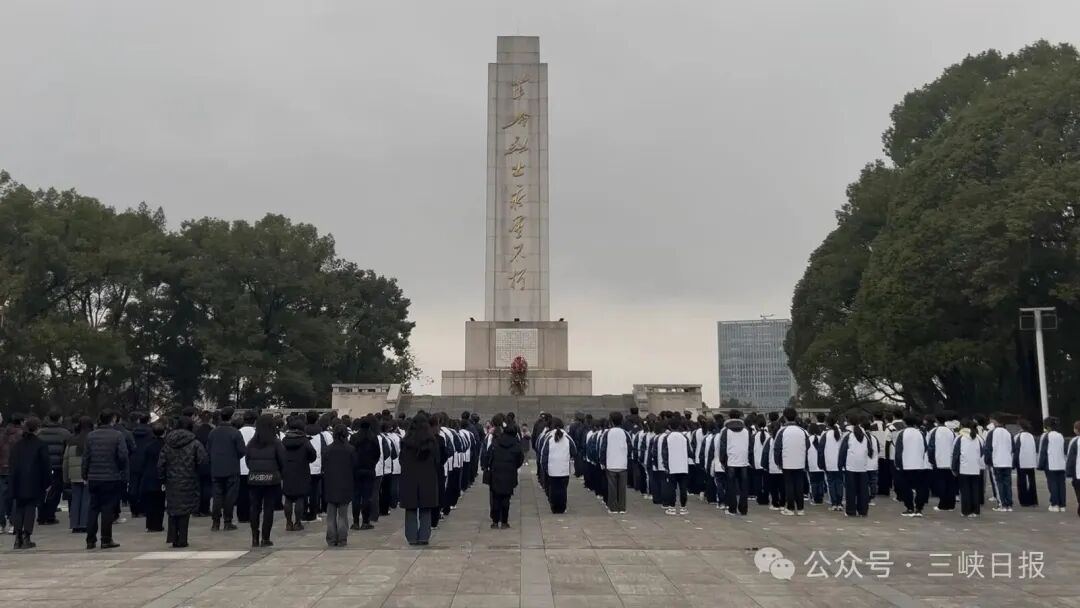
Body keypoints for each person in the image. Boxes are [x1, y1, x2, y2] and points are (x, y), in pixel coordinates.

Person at [158, 417, 206, 548]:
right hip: (189, 479)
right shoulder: (195, 443)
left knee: (173, 509)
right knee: (185, 510)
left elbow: (161, 463)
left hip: (171, 480)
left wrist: (162, 478)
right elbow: (203, 461)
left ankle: (173, 537)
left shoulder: (168, 443)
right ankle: (183, 538)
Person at [83, 410, 128, 549]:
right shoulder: (117, 435)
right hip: (111, 476)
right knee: (107, 508)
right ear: (113, 419)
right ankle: (106, 539)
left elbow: (86, 457)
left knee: (93, 508)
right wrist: (120, 469)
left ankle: (90, 539)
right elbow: (123, 455)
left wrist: (85, 474)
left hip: (94, 476)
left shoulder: (91, 436)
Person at [245, 414, 286, 548]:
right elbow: (282, 461)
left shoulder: (251, 443)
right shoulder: (276, 443)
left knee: (254, 508)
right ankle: (265, 537)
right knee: (269, 508)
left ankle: (254, 537)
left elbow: (247, 461)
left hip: (254, 479)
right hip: (271, 479)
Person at [9, 416, 50, 549]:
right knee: (30, 508)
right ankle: (27, 536)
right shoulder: (40, 445)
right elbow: (46, 465)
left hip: (18, 480)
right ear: (37, 429)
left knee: (19, 507)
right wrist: (47, 482)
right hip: (34, 481)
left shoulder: (17, 445)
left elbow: (12, 464)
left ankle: (17, 537)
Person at [400, 413, 439, 545]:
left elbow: (401, 460)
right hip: (427, 478)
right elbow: (438, 460)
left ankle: (411, 536)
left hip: (409, 478)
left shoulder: (405, 442)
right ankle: (424, 536)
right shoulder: (432, 442)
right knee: (426, 509)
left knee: (410, 509)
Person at [207, 407, 246, 531]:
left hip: (216, 468)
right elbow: (242, 450)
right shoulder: (235, 433)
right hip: (231, 468)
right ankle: (227, 521)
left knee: (217, 495)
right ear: (231, 417)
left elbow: (208, 450)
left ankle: (215, 522)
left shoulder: (213, 432)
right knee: (230, 496)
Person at [484, 422, 524, 528]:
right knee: (506, 498)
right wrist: (514, 466)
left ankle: (495, 521)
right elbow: (520, 459)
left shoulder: (496, 442)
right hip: (509, 472)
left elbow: (488, 456)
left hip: (496, 472)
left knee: (496, 497)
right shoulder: (516, 444)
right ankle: (504, 521)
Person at [322, 423, 355, 547]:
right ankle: (342, 538)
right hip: (345, 484)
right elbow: (354, 466)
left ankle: (331, 538)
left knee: (330, 515)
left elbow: (324, 466)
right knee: (343, 515)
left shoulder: (327, 450)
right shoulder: (350, 449)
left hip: (330, 483)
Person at [281, 417, 317, 531]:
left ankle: (288, 523)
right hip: (301, 470)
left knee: (288, 497)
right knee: (300, 497)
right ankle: (297, 522)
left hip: (287, 470)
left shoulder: (284, 440)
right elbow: (312, 454)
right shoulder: (304, 441)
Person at [36, 409, 71, 526]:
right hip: (57, 466)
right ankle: (50, 515)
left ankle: (41, 515)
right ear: (60, 418)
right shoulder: (65, 433)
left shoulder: (40, 432)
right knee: (55, 491)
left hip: (42, 467)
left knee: (42, 490)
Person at [348, 417, 381, 530]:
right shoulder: (373, 438)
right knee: (367, 496)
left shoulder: (354, 437)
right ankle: (366, 521)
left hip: (356, 470)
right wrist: (372, 463)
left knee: (356, 496)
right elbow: (378, 454)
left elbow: (351, 453)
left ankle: (355, 522)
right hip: (369, 469)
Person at [838, 416, 874, 517]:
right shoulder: (865, 436)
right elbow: (870, 451)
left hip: (851, 466)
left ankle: (851, 511)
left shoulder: (849, 436)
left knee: (851, 490)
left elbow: (843, 451)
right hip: (863, 467)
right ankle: (863, 511)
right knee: (863, 490)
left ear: (849, 423)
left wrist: (840, 465)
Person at [717, 409, 751, 515]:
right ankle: (743, 509)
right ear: (740, 417)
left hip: (731, 461)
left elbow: (722, 447)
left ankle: (732, 508)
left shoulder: (725, 430)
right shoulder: (746, 430)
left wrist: (722, 461)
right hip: (743, 461)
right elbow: (750, 446)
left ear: (729, 417)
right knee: (744, 487)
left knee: (731, 486)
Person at [63, 416, 94, 533]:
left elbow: (65, 460)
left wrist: (66, 477)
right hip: (87, 474)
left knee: (75, 499)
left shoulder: (71, 440)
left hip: (74, 475)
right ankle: (84, 523)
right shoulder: (91, 439)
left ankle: (74, 524)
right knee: (86, 499)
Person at [894, 414, 929, 517]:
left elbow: (898, 450)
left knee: (906, 487)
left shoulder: (902, 433)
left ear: (905, 423)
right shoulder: (920, 433)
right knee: (920, 488)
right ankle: (919, 508)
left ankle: (909, 507)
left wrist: (898, 464)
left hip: (906, 465)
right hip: (919, 464)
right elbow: (925, 447)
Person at [539, 418, 575, 514]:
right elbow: (574, 450)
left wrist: (545, 467)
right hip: (564, 469)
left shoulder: (549, 436)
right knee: (563, 490)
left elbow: (544, 453)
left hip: (552, 469)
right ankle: (562, 508)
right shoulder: (567, 437)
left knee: (553, 489)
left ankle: (554, 508)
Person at [599, 411, 631, 514]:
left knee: (612, 488)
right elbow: (630, 448)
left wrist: (602, 461)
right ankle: (622, 507)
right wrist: (627, 458)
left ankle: (613, 507)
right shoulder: (625, 433)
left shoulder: (607, 433)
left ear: (611, 421)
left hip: (611, 463)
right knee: (622, 488)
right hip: (622, 464)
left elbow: (603, 448)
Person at [952, 419, 984, 518]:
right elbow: (982, 451)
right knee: (975, 490)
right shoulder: (978, 437)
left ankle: (966, 511)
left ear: (962, 426)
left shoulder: (960, 437)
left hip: (964, 468)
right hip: (976, 467)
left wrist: (954, 467)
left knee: (965, 490)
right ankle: (976, 511)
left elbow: (955, 454)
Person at [660, 417, 691, 516]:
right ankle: (683, 507)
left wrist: (665, 465)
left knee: (671, 488)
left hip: (672, 466)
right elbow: (689, 452)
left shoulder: (667, 438)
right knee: (683, 488)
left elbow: (664, 453)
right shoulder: (684, 437)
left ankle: (672, 507)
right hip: (683, 466)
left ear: (669, 426)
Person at [139, 423, 166, 533]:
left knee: (150, 502)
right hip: (161, 477)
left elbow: (143, 461)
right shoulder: (166, 446)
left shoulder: (148, 446)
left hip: (149, 476)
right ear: (164, 432)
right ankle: (158, 525)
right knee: (160, 502)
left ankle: (150, 525)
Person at [985, 414, 1015, 512]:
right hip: (1007, 462)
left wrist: (988, 461)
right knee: (1007, 484)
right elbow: (1013, 448)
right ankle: (1009, 504)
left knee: (999, 484)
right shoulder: (1008, 433)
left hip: (996, 462)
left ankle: (1002, 504)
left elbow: (988, 448)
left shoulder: (992, 433)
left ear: (995, 421)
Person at [0, 413, 23, 535]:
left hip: (1, 469)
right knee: (15, 497)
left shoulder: (2, 434)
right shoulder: (20, 435)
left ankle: (1, 523)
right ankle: (13, 523)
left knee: (1, 497)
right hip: (16, 469)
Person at [927, 416, 957, 511]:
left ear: (936, 421)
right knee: (951, 483)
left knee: (941, 483)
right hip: (950, 462)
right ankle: (951, 505)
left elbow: (931, 447)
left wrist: (931, 460)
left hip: (939, 461)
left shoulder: (934, 431)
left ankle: (942, 504)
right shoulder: (951, 431)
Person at [128, 412, 153, 519]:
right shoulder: (151, 433)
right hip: (146, 461)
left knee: (133, 485)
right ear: (148, 421)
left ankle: (134, 509)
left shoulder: (132, 433)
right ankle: (143, 509)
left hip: (133, 461)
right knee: (145, 486)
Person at [1040, 417, 1067, 512]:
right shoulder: (1060, 435)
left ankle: (1054, 504)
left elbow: (1043, 451)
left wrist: (1041, 464)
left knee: (1052, 484)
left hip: (1050, 463)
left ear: (1047, 426)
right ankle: (1062, 505)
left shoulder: (1047, 436)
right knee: (1061, 485)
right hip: (1061, 463)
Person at [236, 411, 257, 524]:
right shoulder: (257, 433)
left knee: (241, 493)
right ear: (255, 420)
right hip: (253, 466)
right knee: (253, 494)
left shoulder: (237, 432)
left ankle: (241, 515)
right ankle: (251, 514)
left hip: (239, 466)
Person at [820, 416, 844, 512]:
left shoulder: (825, 434)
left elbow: (821, 450)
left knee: (831, 483)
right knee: (839, 483)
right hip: (839, 463)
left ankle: (834, 503)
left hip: (829, 463)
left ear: (826, 423)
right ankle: (839, 503)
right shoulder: (840, 433)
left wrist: (821, 463)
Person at [1013, 419, 1038, 507]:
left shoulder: (1018, 436)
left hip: (1022, 462)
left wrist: (1014, 463)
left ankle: (1024, 500)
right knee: (1032, 481)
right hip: (1031, 462)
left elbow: (1016, 451)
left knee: (1022, 482)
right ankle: (1033, 500)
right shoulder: (1031, 436)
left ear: (1020, 427)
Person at [1067, 421, 1080, 517]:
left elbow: (1071, 459)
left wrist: (1069, 472)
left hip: (1078, 472)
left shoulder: (1075, 442)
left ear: (1076, 430)